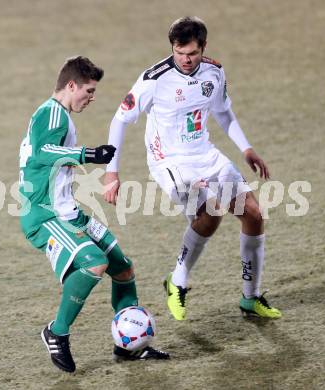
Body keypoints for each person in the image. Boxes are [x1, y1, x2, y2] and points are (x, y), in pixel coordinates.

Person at [104, 17, 282, 321]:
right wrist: (112, 171)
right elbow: (120, 120)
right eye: (180, 52)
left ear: (203, 48)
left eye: (192, 53)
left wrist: (247, 148)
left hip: (205, 155)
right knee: (210, 212)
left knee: (254, 214)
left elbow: (224, 113)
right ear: (172, 47)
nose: (186, 60)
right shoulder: (154, 79)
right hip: (169, 161)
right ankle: (177, 282)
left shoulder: (214, 72)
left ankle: (250, 298)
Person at [18, 56, 169, 373]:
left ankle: (128, 347)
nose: (92, 97)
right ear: (70, 85)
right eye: (88, 90)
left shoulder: (59, 116)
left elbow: (51, 160)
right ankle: (56, 332)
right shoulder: (52, 113)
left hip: (68, 212)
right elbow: (43, 154)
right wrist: (89, 153)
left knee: (122, 269)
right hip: (45, 215)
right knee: (95, 263)